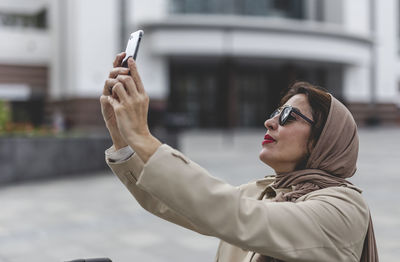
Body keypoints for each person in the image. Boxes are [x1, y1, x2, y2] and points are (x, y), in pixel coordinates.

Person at [100, 53, 379, 262]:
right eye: (273, 113)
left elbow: (233, 213)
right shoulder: (263, 192)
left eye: (287, 116)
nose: (270, 123)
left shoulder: (344, 206)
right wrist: (122, 138)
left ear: (322, 140)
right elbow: (176, 202)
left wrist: (143, 136)